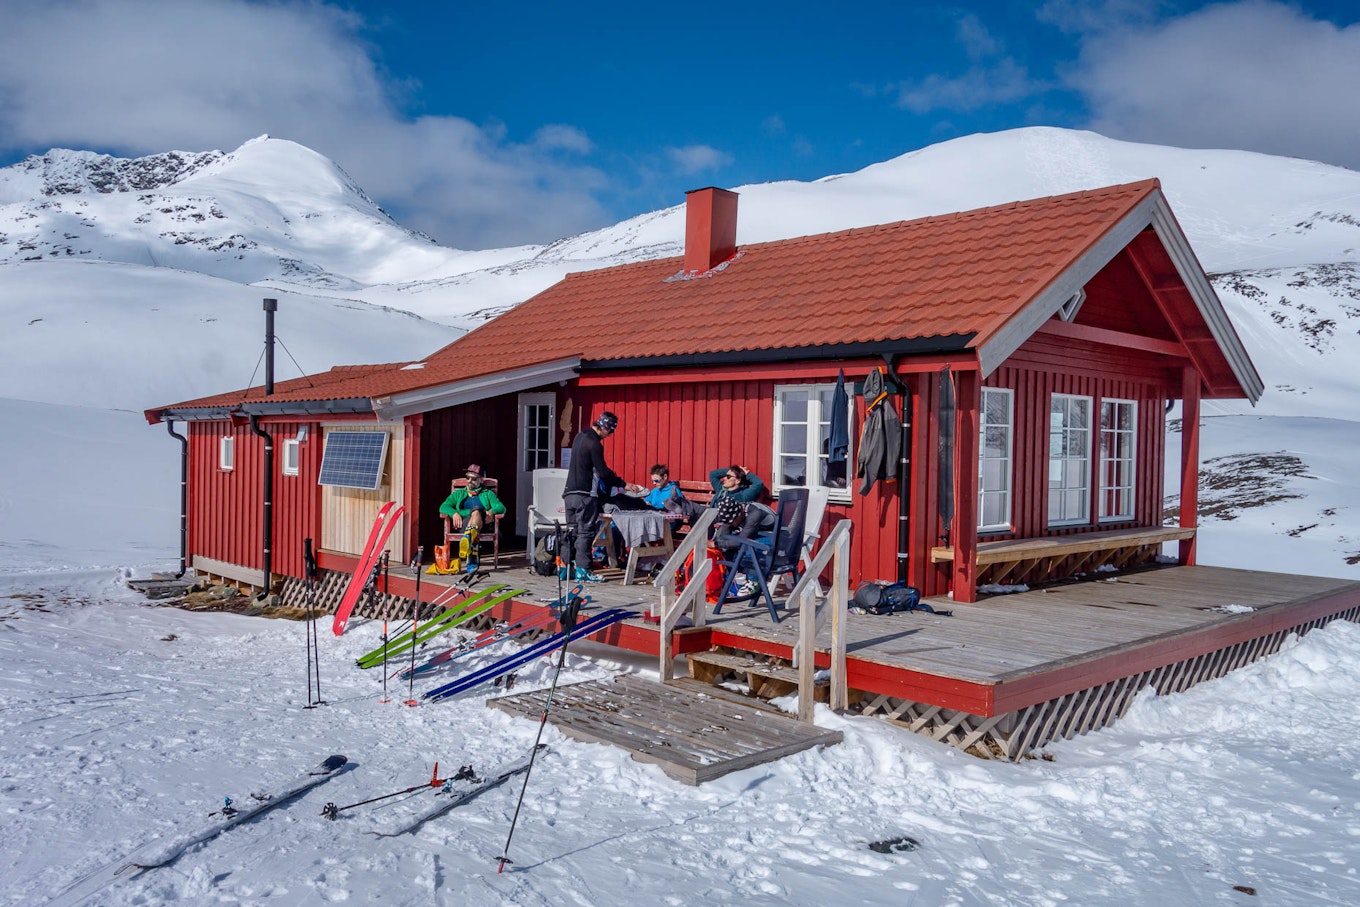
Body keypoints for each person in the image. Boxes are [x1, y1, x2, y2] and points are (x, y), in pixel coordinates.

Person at [562, 411, 640, 581]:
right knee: (585, 532)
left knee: (571, 531)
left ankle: (565, 568)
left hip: (569, 493)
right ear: (605, 428)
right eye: (610, 432)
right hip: (585, 494)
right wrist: (623, 484)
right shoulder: (594, 443)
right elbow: (603, 472)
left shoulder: (579, 437)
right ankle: (583, 571)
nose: (609, 436)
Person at [439, 463, 506, 560]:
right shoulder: (459, 493)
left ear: (481, 480)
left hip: (484, 525)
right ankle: (472, 543)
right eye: (467, 477)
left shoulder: (488, 494)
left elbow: (501, 507)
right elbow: (443, 507)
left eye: (473, 479)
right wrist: (454, 513)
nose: (469, 481)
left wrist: (492, 511)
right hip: (464, 524)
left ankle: (468, 539)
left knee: (477, 511)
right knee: (475, 512)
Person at [707, 466, 776, 553]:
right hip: (754, 532)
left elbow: (741, 541)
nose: (732, 524)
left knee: (734, 545)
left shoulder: (755, 514)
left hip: (769, 538)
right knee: (726, 530)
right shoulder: (740, 510)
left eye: (729, 477)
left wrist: (715, 544)